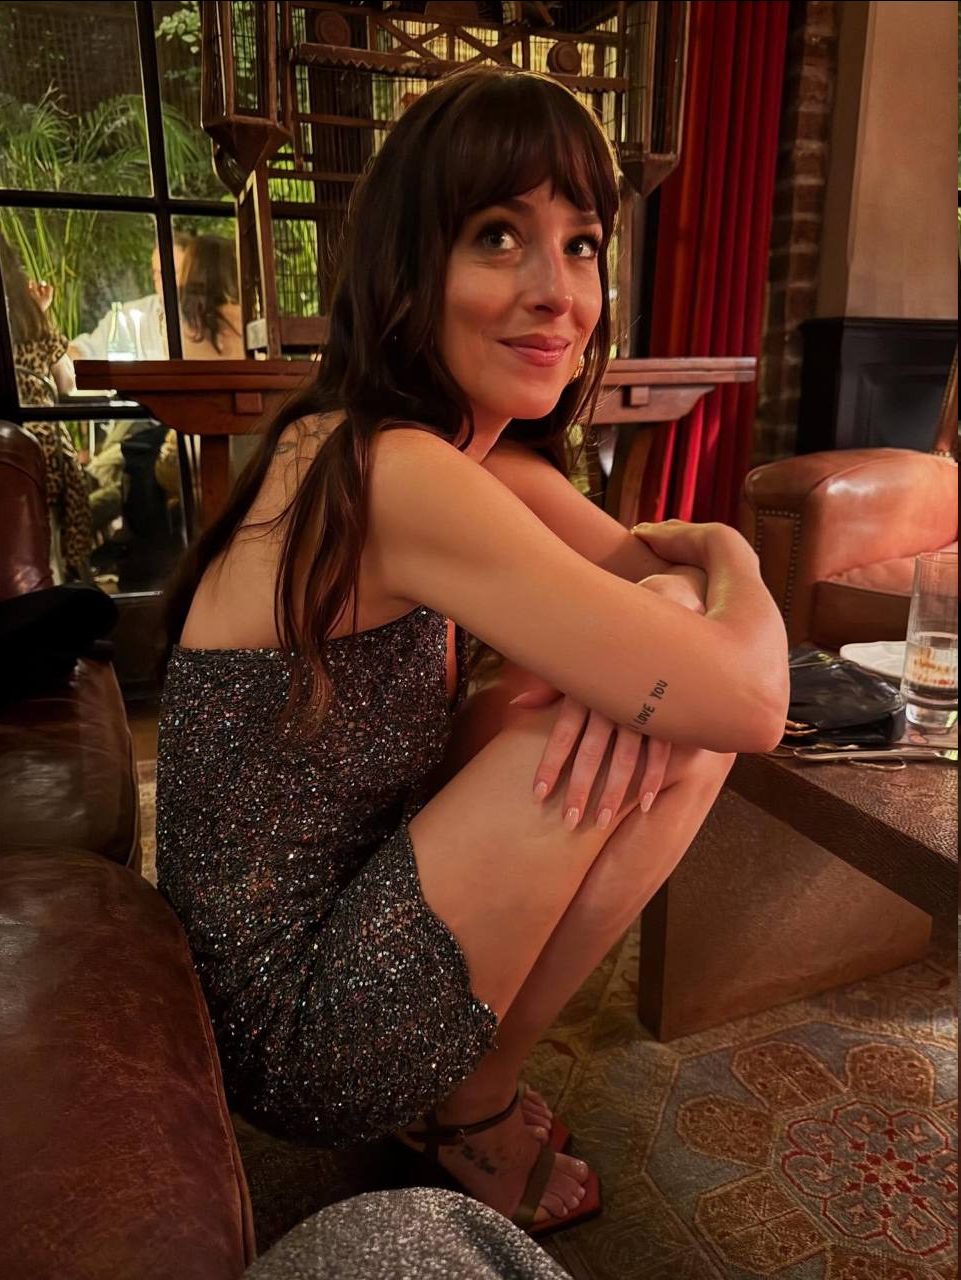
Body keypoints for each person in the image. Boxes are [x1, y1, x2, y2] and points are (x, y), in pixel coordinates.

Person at [156, 66, 790, 1239]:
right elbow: (748, 698)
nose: (556, 291)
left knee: (610, 689)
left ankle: (456, 1079)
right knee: (663, 722)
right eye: (499, 235)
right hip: (292, 1032)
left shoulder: (447, 452)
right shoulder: (392, 472)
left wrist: (665, 610)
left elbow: (647, 586)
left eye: (581, 244)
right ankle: (470, 1105)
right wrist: (728, 549)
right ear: (410, 265)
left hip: (339, 920)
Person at [0, 234, 92, 581]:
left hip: (10, 442)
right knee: (44, 544)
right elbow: (66, 383)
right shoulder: (29, 315)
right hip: (42, 445)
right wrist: (42, 313)